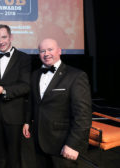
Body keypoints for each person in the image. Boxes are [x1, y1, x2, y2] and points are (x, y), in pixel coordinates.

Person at [23, 38, 92, 168]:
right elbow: (32, 102)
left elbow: (83, 115)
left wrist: (73, 145)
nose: (46, 53)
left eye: (50, 49)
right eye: (42, 51)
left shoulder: (76, 76)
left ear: (59, 51)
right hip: (39, 141)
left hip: (63, 144)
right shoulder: (35, 75)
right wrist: (27, 121)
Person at [0, 24, 31, 168]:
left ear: (11, 37)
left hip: (14, 115)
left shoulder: (24, 58)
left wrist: (3, 90)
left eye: (4, 37)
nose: (1, 42)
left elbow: (25, 86)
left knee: (14, 157)